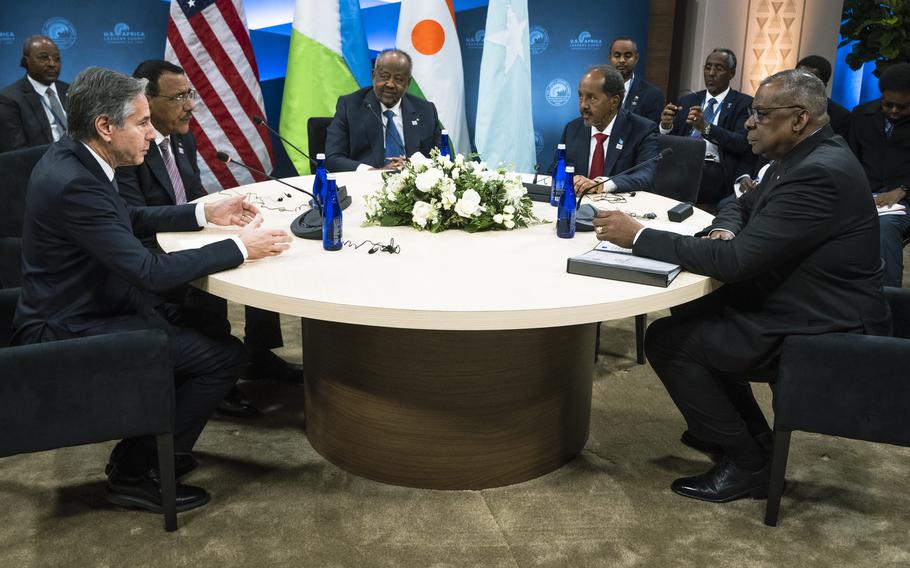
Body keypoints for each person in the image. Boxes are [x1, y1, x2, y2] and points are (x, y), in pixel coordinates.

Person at [592, 69, 889, 503]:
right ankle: (753, 443)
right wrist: (723, 231)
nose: (749, 123)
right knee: (691, 312)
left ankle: (748, 464)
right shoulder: (803, 156)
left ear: (799, 118)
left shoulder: (819, 172)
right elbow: (738, 204)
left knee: (670, 341)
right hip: (798, 297)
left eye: (761, 114)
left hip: (821, 323)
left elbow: (736, 264)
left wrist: (637, 236)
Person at [12, 67, 293, 513]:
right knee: (224, 357)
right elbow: (149, 271)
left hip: (94, 302)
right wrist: (241, 246)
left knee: (203, 322)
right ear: (106, 127)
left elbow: (127, 218)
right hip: (70, 328)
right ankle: (134, 470)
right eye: (141, 123)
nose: (150, 133)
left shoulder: (78, 156)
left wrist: (204, 213)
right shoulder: (75, 183)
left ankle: (154, 445)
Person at [116, 60, 303, 419]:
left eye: (190, 94)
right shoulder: (131, 148)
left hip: (185, 230)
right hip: (150, 248)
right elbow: (133, 219)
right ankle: (218, 376)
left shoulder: (182, 134)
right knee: (226, 260)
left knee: (258, 249)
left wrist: (222, 212)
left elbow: (190, 191)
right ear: (147, 99)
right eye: (179, 97)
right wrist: (206, 224)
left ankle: (259, 355)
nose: (190, 106)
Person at [659, 49, 755, 208]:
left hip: (714, 168)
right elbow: (672, 138)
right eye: (708, 67)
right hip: (682, 162)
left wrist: (706, 128)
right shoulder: (689, 100)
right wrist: (666, 126)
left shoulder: (743, 103)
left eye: (719, 68)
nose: (711, 73)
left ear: (731, 73)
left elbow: (741, 143)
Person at [325, 49, 441, 172]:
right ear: (374, 76)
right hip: (365, 186)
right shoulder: (350, 106)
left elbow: (440, 158)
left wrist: (415, 165)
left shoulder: (426, 111)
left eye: (399, 79)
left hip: (413, 186)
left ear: (408, 83)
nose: (390, 84)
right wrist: (372, 172)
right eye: (385, 77)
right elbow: (332, 158)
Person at [847, 62, 910, 287]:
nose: (894, 110)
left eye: (902, 107)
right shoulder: (861, 114)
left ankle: (889, 299)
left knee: (885, 228)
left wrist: (902, 190)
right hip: (864, 192)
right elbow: (850, 158)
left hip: (903, 200)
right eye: (888, 104)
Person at [554, 64, 658, 195]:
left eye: (592, 98)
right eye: (581, 96)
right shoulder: (572, 129)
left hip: (621, 210)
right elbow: (555, 169)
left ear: (614, 102)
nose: (583, 105)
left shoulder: (642, 130)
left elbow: (645, 176)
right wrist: (569, 179)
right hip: (578, 207)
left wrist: (601, 184)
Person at [0, 35, 68, 153]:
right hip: (41, 166)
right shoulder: (9, 99)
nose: (52, 64)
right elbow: (16, 153)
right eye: (44, 58)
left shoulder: (71, 90)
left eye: (57, 58)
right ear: (27, 61)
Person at [609, 36, 664, 125]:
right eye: (617, 55)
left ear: (636, 58)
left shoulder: (652, 95)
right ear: (610, 58)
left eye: (627, 56)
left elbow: (651, 132)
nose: (622, 60)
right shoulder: (599, 91)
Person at [796, 54, 850, 136]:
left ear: (823, 85)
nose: (800, 84)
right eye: (797, 77)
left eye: (808, 80)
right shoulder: (778, 105)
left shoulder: (840, 116)